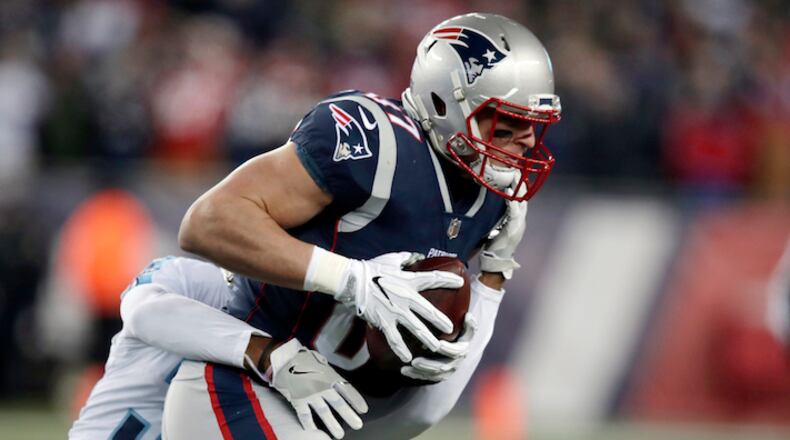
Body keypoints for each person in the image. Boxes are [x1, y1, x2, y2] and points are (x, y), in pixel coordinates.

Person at [163, 12, 561, 439]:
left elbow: (423, 413)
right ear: (444, 102)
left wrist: (493, 277)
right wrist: (353, 279)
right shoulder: (373, 141)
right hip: (249, 384)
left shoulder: (490, 198)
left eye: (532, 128)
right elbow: (208, 223)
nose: (525, 143)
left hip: (336, 413)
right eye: (506, 124)